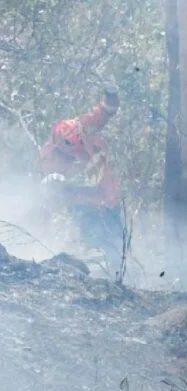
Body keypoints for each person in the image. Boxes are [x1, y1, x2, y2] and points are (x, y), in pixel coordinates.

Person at [39, 85, 124, 276]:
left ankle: (119, 273)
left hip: (109, 197)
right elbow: (51, 194)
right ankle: (99, 277)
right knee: (98, 243)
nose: (72, 156)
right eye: (68, 153)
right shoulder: (50, 161)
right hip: (86, 206)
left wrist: (111, 94)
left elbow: (105, 111)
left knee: (118, 244)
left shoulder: (81, 126)